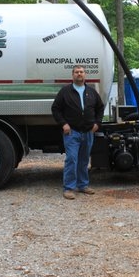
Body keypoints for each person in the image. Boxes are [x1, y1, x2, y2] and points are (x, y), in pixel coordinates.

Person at [51, 64, 105, 200]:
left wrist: (97, 123)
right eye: (76, 72)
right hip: (72, 132)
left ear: (85, 74)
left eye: (81, 72)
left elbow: (100, 108)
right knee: (72, 159)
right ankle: (69, 188)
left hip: (88, 132)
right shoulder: (65, 91)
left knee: (84, 160)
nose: (79, 74)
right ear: (72, 75)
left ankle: (83, 185)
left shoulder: (91, 92)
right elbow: (55, 108)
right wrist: (63, 124)